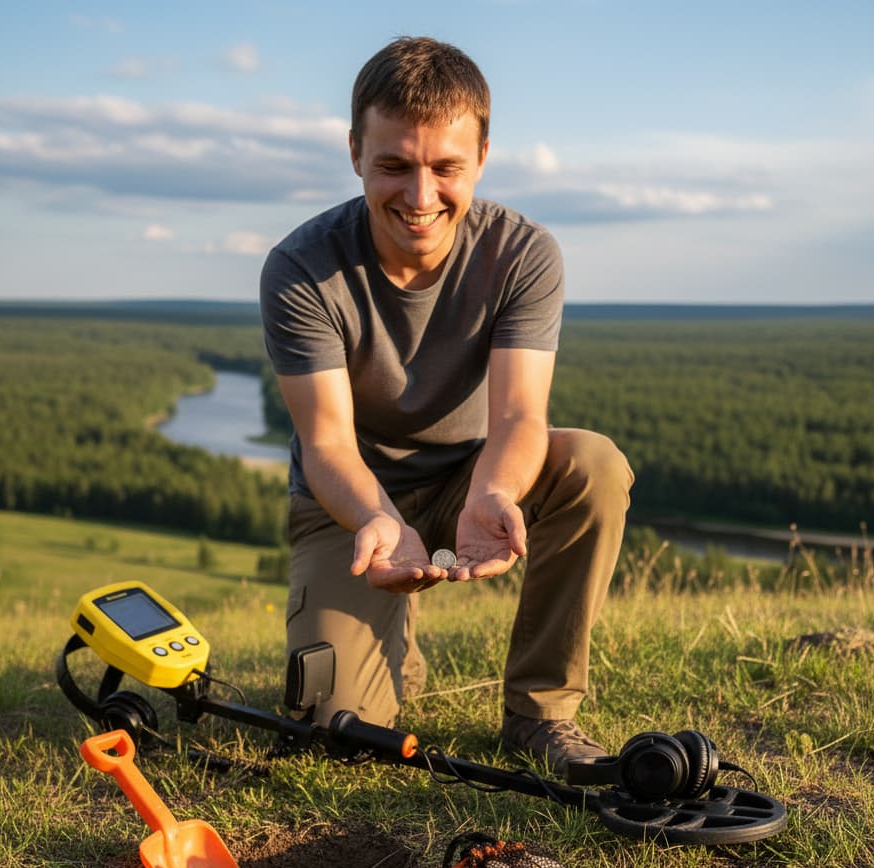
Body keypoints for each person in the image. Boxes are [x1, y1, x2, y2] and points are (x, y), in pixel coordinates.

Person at [259, 36, 633, 778]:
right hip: (352, 505)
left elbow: (522, 418)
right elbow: (328, 442)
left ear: (483, 155)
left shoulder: (523, 252)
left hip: (471, 474)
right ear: (356, 150)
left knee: (593, 463)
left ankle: (542, 715)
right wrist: (377, 518)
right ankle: (390, 644)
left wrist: (493, 492)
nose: (421, 196)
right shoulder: (302, 267)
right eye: (394, 164)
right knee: (338, 730)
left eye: (446, 168)